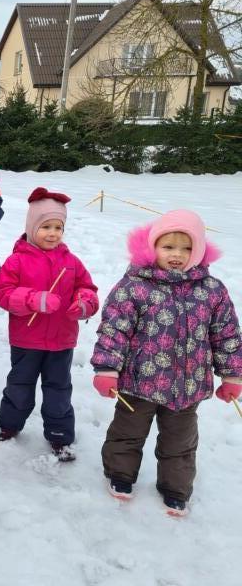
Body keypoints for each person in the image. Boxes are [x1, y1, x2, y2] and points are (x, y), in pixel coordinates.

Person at [91, 210, 242, 516]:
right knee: (127, 432)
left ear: (198, 251)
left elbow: (226, 334)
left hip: (188, 387)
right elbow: (114, 328)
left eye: (186, 248)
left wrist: (232, 376)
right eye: (168, 246)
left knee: (181, 442)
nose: (177, 255)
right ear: (152, 247)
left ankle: (175, 488)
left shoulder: (211, 290)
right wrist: (107, 369)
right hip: (137, 382)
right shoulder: (134, 285)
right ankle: (120, 474)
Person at [0, 187, 99, 462]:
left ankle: (60, 436)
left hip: (61, 340)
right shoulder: (17, 260)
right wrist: (33, 300)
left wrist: (85, 303)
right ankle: (9, 425)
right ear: (31, 227)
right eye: (46, 227)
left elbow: (87, 288)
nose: (52, 233)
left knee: (58, 390)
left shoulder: (71, 262)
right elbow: (3, 294)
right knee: (19, 385)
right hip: (27, 339)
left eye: (58, 227)